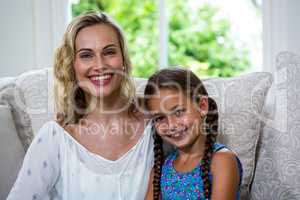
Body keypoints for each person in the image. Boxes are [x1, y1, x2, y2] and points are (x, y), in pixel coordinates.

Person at [7, 11, 154, 199]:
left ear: (123, 61)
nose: (100, 65)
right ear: (72, 66)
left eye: (109, 52)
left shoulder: (155, 127)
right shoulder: (55, 138)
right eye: (86, 55)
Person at [144, 68, 243, 200]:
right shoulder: (159, 172)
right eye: (160, 118)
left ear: (202, 106)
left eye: (178, 112)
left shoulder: (222, 160)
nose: (172, 125)